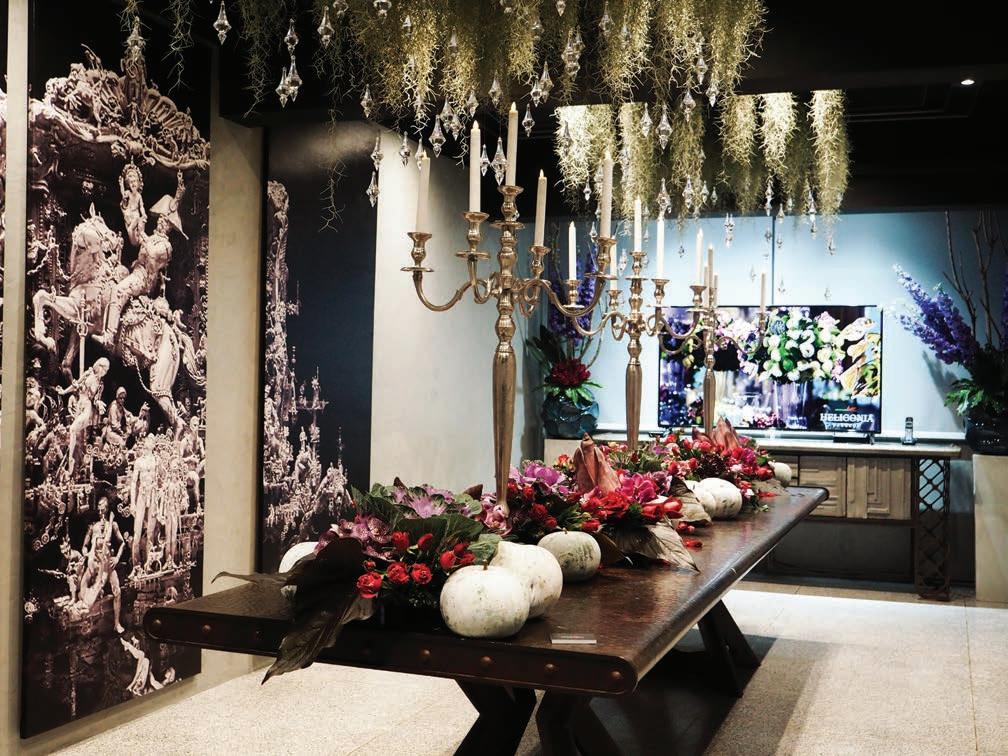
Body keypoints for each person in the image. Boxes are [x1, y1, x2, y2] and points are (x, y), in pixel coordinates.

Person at [97, 171, 186, 348]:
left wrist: (144, 238)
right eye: (161, 219)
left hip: (144, 280)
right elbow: (134, 240)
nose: (160, 222)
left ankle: (110, 335)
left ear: (169, 227)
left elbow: (152, 257)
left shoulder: (166, 247)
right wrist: (133, 222)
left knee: (119, 290)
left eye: (165, 222)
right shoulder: (151, 238)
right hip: (135, 271)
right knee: (109, 279)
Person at [79, 496, 127, 634]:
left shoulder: (113, 525)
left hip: (107, 562)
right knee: (83, 584)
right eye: (99, 508)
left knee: (117, 591)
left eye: (103, 508)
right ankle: (84, 615)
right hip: (94, 562)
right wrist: (87, 553)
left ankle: (116, 623)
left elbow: (122, 543)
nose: (101, 511)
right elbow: (84, 546)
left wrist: (117, 558)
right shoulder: (92, 527)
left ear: (107, 509)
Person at [56, 357, 109, 479]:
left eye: (106, 370)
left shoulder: (100, 384)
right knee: (75, 435)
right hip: (79, 405)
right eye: (103, 368)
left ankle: (71, 461)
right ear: (99, 366)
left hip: (87, 407)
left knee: (73, 430)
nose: (104, 372)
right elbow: (76, 385)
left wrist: (99, 404)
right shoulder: (88, 373)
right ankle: (72, 463)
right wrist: (63, 392)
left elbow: (96, 399)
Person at [129, 436, 158, 576]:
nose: (147, 445)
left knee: (151, 533)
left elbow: (161, 479)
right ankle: (136, 565)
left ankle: (148, 564)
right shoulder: (139, 462)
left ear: (153, 445)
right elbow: (133, 482)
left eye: (150, 443)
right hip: (141, 495)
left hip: (153, 496)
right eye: (145, 443)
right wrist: (132, 503)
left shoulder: (156, 460)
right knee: (137, 533)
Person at [102, 386, 133, 450]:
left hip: (117, 431)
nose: (122, 400)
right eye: (120, 398)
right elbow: (114, 424)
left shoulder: (120, 406)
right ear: (117, 397)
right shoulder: (114, 407)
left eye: (123, 398)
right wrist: (121, 433)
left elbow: (127, 413)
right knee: (121, 441)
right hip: (111, 431)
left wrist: (132, 416)